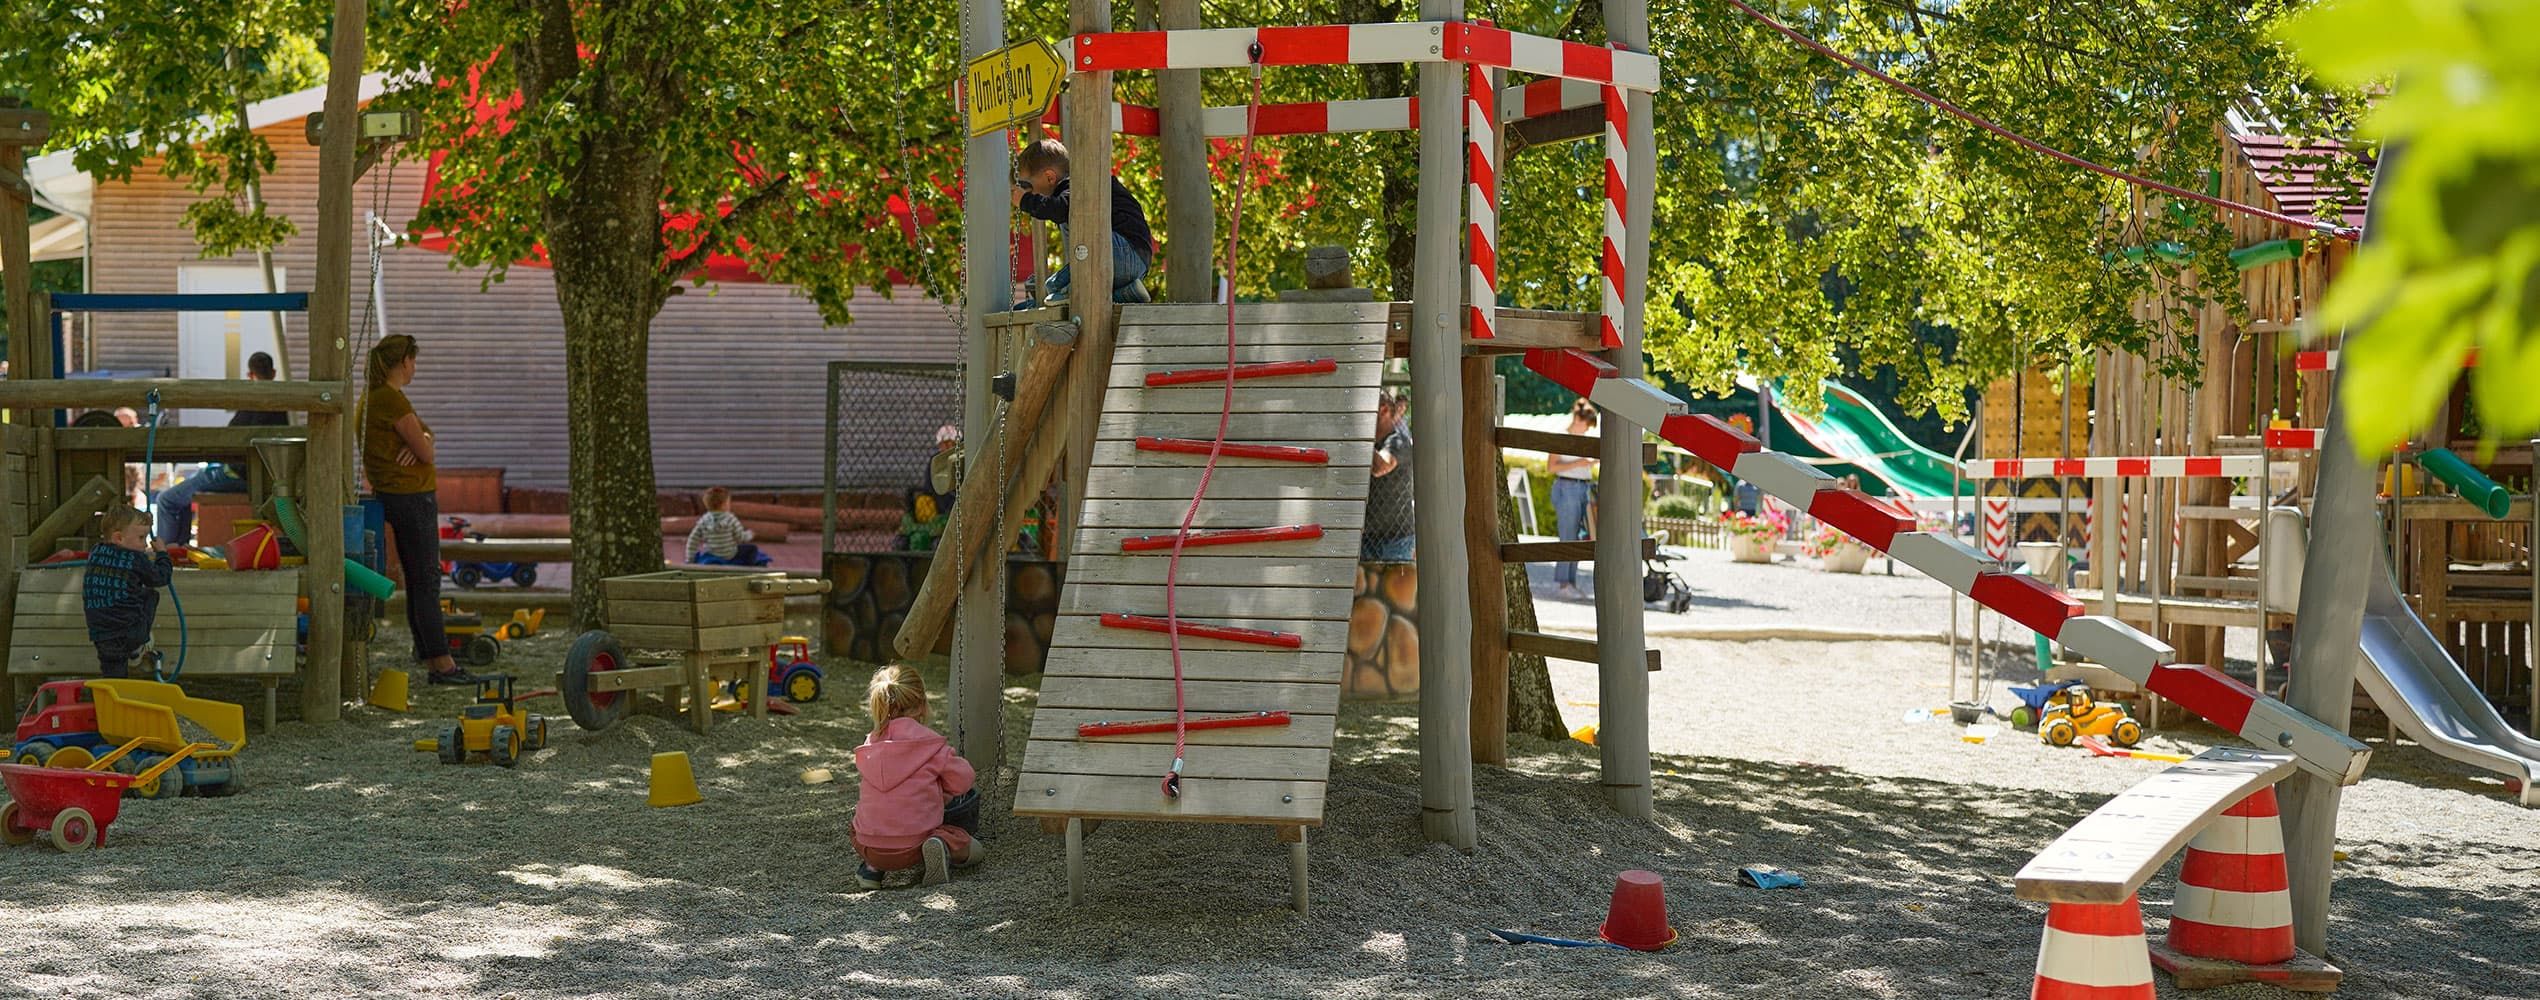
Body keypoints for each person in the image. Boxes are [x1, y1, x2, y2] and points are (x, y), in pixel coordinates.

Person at [361, 335, 471, 685]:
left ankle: (428, 652)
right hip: (411, 495)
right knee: (426, 580)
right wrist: (422, 443)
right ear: (404, 361)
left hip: (393, 493)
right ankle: (442, 663)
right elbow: (426, 450)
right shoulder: (390, 400)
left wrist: (423, 440)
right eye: (413, 360)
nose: (415, 367)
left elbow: (427, 437)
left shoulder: (374, 399)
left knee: (416, 579)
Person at [851, 665, 985, 890]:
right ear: (922, 704)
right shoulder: (929, 744)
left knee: (865, 821)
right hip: (914, 845)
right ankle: (938, 845)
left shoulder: (869, 745)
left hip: (870, 845)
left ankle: (871, 869)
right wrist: (942, 787)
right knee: (971, 848)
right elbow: (964, 780)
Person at [155, 351, 289, 546]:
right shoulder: (284, 402)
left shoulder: (251, 402)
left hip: (237, 474)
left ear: (250, 375)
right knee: (181, 496)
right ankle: (178, 550)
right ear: (274, 372)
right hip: (265, 477)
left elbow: (229, 438)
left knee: (166, 499)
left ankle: (165, 554)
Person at [1011, 137, 1153, 307]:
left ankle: (1069, 293)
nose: (1029, 190)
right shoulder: (1082, 185)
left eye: (1027, 184)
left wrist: (1025, 201)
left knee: (1053, 285)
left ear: (1050, 177)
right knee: (1093, 295)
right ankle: (1128, 293)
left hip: (1118, 253)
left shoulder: (1078, 186)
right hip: (1136, 263)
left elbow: (1057, 208)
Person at [85, 507, 171, 679]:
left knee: (113, 673)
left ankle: (112, 700)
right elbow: (160, 578)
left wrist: (143, 522)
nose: (145, 544)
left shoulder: (95, 552)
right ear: (118, 538)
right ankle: (139, 645)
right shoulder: (135, 558)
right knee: (150, 594)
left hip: (100, 632)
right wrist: (162, 553)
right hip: (129, 632)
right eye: (141, 538)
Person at [1547, 399, 1599, 599]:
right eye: (1586, 424)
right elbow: (1552, 467)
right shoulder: (1562, 437)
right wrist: (1580, 462)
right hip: (1566, 487)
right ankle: (1562, 583)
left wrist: (1588, 463)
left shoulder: (1584, 440)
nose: (1586, 429)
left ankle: (1571, 581)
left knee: (1579, 536)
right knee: (1567, 535)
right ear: (1578, 418)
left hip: (1583, 488)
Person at [1361, 390, 1415, 561]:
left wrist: (1359, 437)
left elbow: (1381, 467)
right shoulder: (1372, 443)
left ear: (1383, 410)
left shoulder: (1398, 441)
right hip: (1366, 538)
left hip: (1396, 540)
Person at [687, 487, 771, 566]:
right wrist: (750, 534)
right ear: (724, 505)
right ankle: (750, 566)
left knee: (703, 553)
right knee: (753, 549)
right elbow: (740, 538)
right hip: (730, 554)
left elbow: (692, 540)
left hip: (711, 554)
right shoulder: (731, 519)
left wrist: (690, 559)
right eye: (728, 502)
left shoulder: (703, 521)